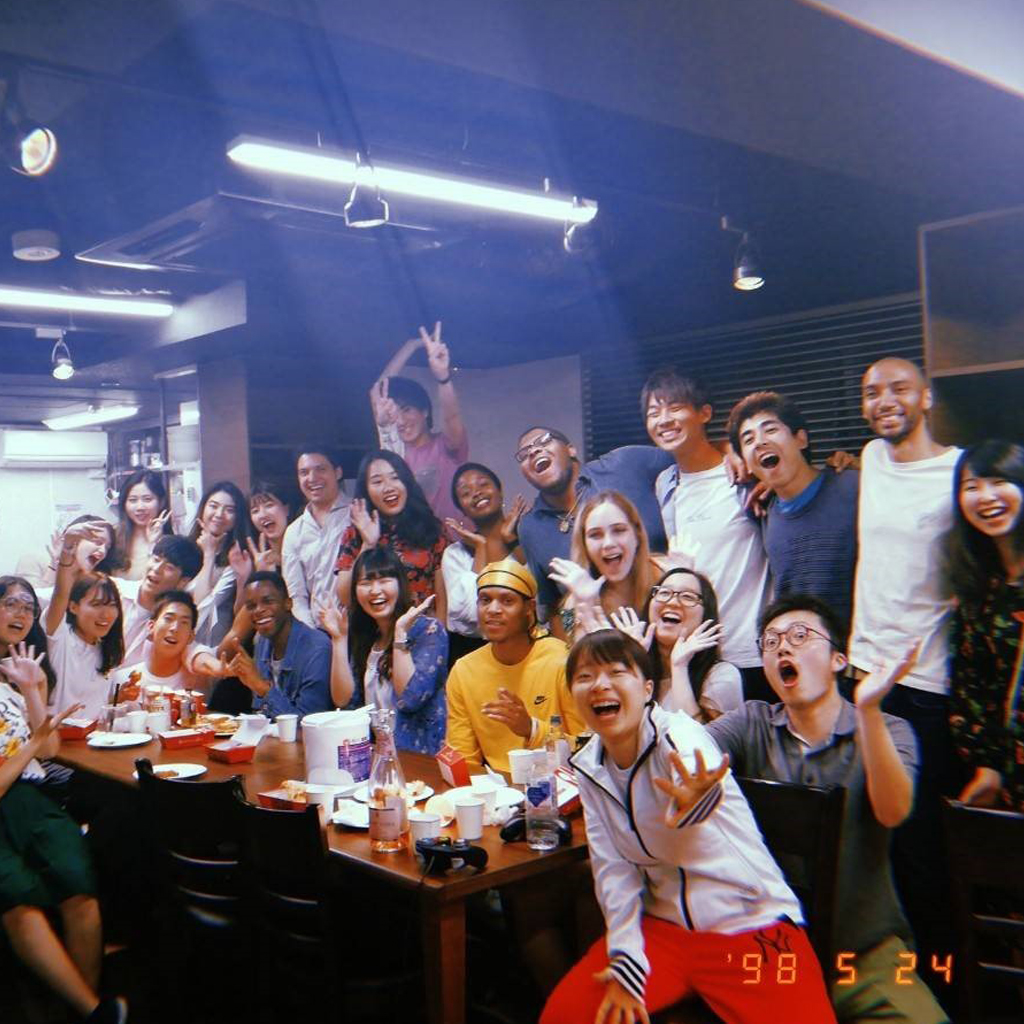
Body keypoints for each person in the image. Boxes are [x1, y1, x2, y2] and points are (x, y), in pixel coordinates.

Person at [541, 629, 837, 1024]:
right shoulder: (589, 767)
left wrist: (697, 800)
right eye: (584, 677)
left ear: (647, 688)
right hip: (663, 933)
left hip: (749, 927)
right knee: (565, 1016)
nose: (600, 685)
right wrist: (626, 957)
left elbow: (699, 785)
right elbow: (614, 873)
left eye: (616, 672)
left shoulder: (679, 734)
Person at [707, 594, 948, 1024]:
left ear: (839, 659)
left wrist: (870, 710)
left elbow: (893, 812)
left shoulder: (891, 729)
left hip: (866, 956)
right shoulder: (751, 722)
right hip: (770, 954)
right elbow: (685, 747)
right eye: (771, 641)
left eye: (800, 636)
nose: (783, 647)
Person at [848, 357, 961, 992]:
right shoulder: (869, 458)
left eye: (897, 388)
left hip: (926, 687)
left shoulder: (959, 471)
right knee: (871, 842)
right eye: (871, 392)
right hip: (861, 679)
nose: (883, 400)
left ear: (927, 395)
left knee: (922, 850)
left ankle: (941, 985)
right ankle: (882, 978)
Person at [0, 641, 127, 1024]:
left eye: (26, 607)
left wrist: (31, 690)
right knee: (18, 900)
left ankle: (77, 1010)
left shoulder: (8, 686)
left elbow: (50, 746)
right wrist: (32, 746)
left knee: (78, 884)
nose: (18, 613)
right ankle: (92, 1011)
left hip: (32, 799)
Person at [645, 368, 772, 701]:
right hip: (698, 655)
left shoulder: (745, 474)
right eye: (654, 412)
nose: (663, 420)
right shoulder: (665, 485)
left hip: (751, 651)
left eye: (674, 407)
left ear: (704, 413)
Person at [727, 390, 860, 627]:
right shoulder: (762, 511)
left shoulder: (853, 487)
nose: (760, 441)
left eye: (770, 429)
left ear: (801, 439)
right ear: (745, 463)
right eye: (748, 439)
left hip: (862, 656)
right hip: (803, 654)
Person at [515, 426, 672, 619]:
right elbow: (554, 608)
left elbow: (691, 460)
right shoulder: (530, 528)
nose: (533, 451)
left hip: (671, 623)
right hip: (604, 642)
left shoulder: (625, 464)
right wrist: (572, 643)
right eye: (524, 454)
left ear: (571, 450)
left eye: (544, 440)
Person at [444, 558, 584, 773]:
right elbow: (462, 757)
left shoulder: (562, 661)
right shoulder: (464, 670)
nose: (493, 610)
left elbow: (586, 748)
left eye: (507, 601)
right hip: (498, 794)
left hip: (563, 788)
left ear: (529, 608)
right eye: (485, 600)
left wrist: (531, 729)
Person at [947, 440, 1024, 812]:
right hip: (1012, 774)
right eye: (972, 487)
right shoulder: (978, 588)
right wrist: (988, 765)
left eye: (999, 481)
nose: (986, 497)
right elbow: (972, 684)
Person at [322, 548, 448, 754]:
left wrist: (400, 637)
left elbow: (410, 699)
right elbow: (344, 701)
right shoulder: (366, 636)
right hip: (378, 757)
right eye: (365, 583)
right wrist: (338, 640)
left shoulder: (429, 630)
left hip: (421, 759)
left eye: (384, 580)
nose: (375, 590)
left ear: (400, 583)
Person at [370, 321, 469, 525]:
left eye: (407, 410)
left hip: (460, 545)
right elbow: (377, 392)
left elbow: (452, 417)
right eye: (395, 413)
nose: (401, 420)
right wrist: (412, 345)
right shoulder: (394, 452)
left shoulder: (446, 445)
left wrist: (443, 377)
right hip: (417, 549)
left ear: (424, 411)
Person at [335, 450, 448, 622]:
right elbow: (345, 597)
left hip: (422, 632)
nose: (388, 487)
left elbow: (443, 595)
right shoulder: (354, 533)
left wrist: (439, 637)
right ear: (366, 491)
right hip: (374, 635)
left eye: (395, 478)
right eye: (377, 481)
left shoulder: (431, 528)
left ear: (407, 483)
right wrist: (368, 544)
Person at [547, 490, 658, 641]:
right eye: (595, 535)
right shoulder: (572, 603)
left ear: (637, 535)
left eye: (619, 530)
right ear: (584, 545)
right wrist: (586, 603)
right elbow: (576, 656)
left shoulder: (665, 576)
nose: (608, 543)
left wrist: (689, 581)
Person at [442, 462, 526, 660]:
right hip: (473, 656)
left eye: (483, 484)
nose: (476, 493)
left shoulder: (527, 540)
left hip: (529, 650)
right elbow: (470, 614)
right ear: (461, 508)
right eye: (465, 492)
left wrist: (512, 540)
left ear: (500, 491)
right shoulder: (455, 554)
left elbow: (540, 602)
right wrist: (481, 548)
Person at [43, 522, 124, 719]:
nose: (106, 614)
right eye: (96, 605)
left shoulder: (107, 648)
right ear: (73, 607)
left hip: (96, 741)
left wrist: (120, 696)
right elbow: (61, 592)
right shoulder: (61, 637)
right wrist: (68, 548)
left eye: (112, 605)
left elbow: (95, 705)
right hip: (58, 742)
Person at [224, 571, 332, 720]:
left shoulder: (317, 648)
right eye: (251, 606)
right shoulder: (263, 641)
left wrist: (261, 687)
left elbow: (308, 724)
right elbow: (260, 711)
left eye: (267, 601)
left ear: (288, 603)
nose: (258, 610)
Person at [643, 567, 742, 721]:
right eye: (664, 593)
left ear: (706, 616)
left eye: (688, 597)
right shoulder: (636, 669)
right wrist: (629, 663)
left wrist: (679, 667)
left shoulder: (721, 676)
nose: (673, 601)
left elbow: (695, 742)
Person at [281, 446, 351, 629]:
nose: (312, 478)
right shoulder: (294, 532)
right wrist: (312, 637)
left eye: (321, 469)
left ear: (338, 472)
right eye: (304, 472)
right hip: (316, 633)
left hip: (357, 628)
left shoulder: (357, 515)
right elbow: (296, 596)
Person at [109, 591, 225, 700]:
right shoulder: (122, 680)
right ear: (151, 626)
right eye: (168, 619)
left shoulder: (199, 684)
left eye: (184, 622)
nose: (175, 628)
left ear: (191, 636)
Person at [117, 535, 204, 667]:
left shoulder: (174, 622)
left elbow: (193, 651)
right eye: (156, 559)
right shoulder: (114, 591)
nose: (157, 569)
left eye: (169, 567)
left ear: (183, 581)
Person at [187, 481, 252, 648]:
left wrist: (209, 556)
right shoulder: (184, 549)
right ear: (203, 508)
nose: (219, 514)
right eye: (213, 506)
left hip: (216, 647)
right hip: (180, 644)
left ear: (237, 517)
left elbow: (203, 606)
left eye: (229, 510)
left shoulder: (238, 557)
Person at [15, 514, 118, 594]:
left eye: (107, 547)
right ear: (74, 537)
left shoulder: (95, 576)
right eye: (98, 542)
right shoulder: (33, 560)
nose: (103, 551)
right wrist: (55, 567)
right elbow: (29, 606)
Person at [111, 469, 173, 582]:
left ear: (161, 502)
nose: (140, 507)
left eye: (147, 499)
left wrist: (153, 544)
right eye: (133, 500)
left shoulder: (171, 543)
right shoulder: (112, 537)